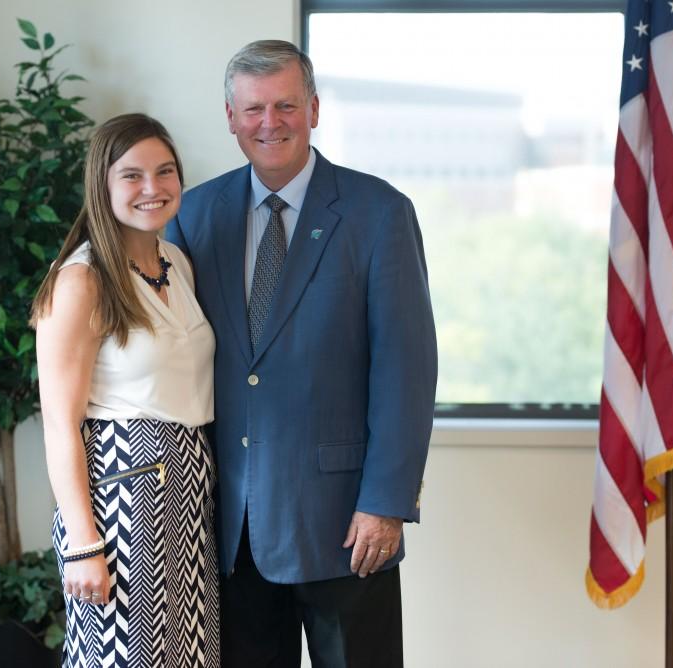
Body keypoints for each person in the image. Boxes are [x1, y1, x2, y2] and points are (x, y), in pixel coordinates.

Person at [165, 40, 437, 667]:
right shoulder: (192, 216)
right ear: (230, 117)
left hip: (346, 524)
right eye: (254, 108)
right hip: (230, 529)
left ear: (313, 109)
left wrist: (387, 502)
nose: (270, 122)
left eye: (286, 105)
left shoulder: (379, 213)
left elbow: (407, 371)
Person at [31, 113, 220, 667]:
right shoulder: (82, 279)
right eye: (132, 175)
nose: (152, 188)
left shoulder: (177, 263)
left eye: (165, 172)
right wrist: (84, 545)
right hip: (121, 495)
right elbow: (59, 423)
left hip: (189, 488)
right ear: (102, 185)